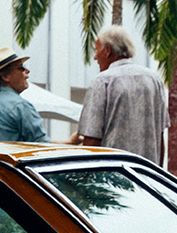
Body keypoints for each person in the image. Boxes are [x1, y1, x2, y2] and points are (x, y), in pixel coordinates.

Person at [71, 26, 166, 162]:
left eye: (97, 51)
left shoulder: (102, 81)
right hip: (146, 177)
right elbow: (160, 136)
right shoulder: (154, 80)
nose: (95, 57)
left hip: (112, 178)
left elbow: (91, 140)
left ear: (108, 50)